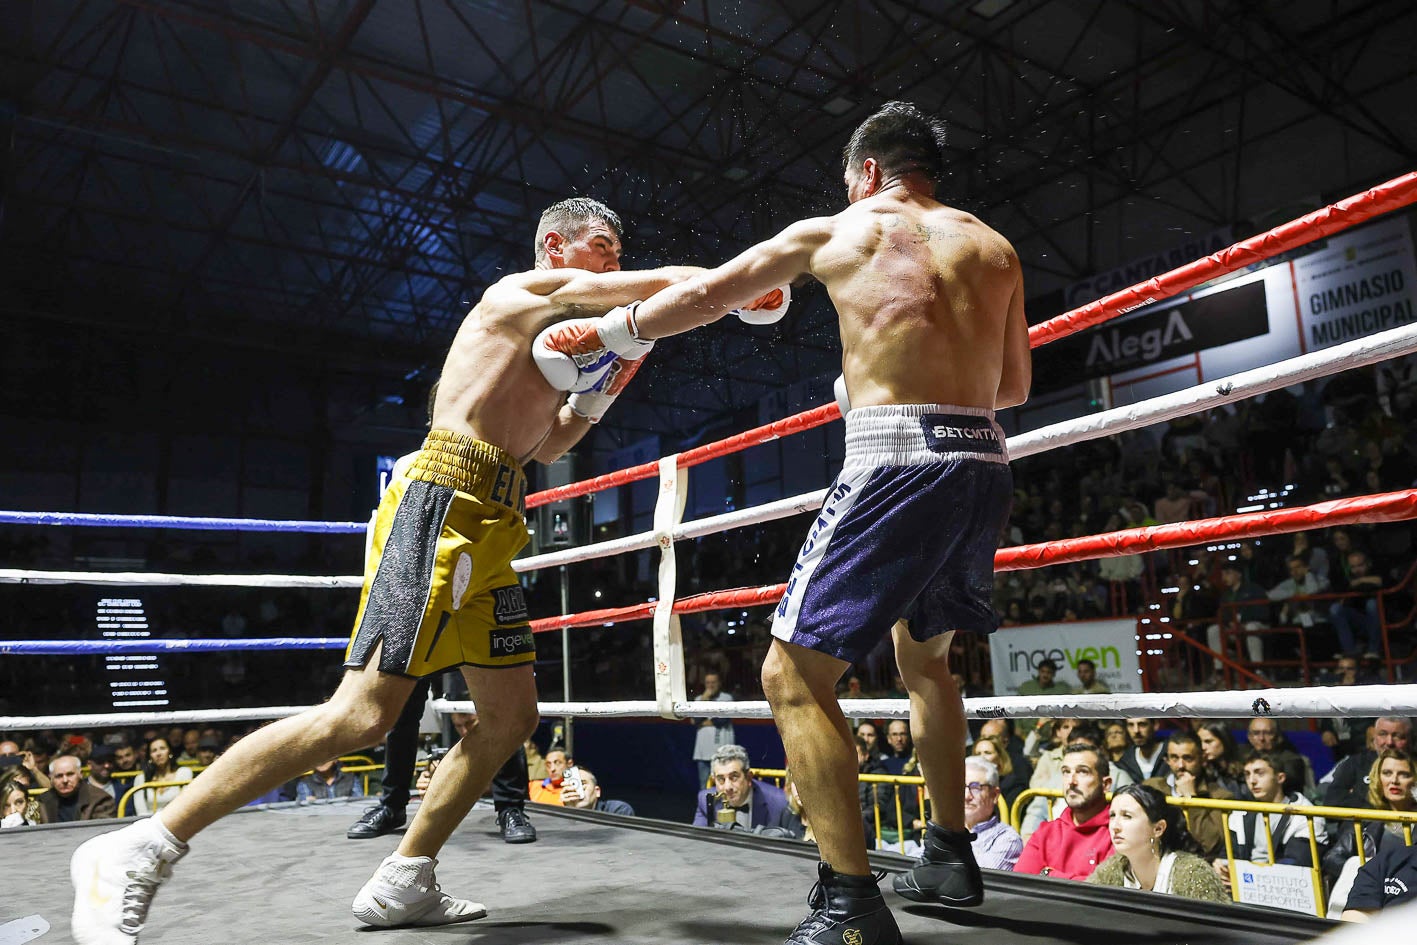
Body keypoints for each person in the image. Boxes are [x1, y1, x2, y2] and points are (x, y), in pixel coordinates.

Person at [70, 195, 708, 942]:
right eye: (600, 246)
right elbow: (646, 289)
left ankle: (406, 877)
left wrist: (598, 390)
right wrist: (738, 280)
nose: (613, 261)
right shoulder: (513, 294)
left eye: (617, 250)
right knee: (361, 716)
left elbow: (548, 447)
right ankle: (139, 849)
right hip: (441, 499)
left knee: (510, 717)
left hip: (497, 517)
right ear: (554, 249)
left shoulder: (553, 345)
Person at [583, 100, 1031, 944]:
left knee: (790, 679)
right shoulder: (993, 246)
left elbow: (712, 295)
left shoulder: (842, 229)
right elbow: (1010, 388)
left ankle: (850, 904)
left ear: (865, 172)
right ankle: (947, 852)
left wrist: (612, 334)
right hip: (983, 461)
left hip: (898, 460)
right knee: (925, 663)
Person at [1089, 784, 1229, 902]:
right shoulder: (1111, 869)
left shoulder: (1193, 874)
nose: (1115, 826)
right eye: (1112, 815)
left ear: (1158, 829)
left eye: (1127, 816)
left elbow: (1217, 931)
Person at [1214, 750, 1327, 891]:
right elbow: (1230, 853)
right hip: (1245, 888)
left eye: (1260, 773)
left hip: (1285, 892)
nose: (1252, 781)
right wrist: (1222, 865)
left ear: (1280, 778)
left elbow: (1296, 865)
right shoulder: (1240, 811)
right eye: (1247, 774)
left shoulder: (1305, 813)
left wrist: (1246, 878)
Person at [1323, 750, 1417, 912]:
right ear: (1378, 779)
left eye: (1403, 774)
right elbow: (1332, 858)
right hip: (1370, 897)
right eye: (1387, 773)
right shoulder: (1367, 819)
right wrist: (1370, 872)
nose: (1394, 780)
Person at [1013, 744, 1116, 881]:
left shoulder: (1119, 832)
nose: (1071, 782)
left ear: (1106, 784)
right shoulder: (1045, 832)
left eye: (1082, 772)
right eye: (1066, 772)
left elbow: (1104, 892)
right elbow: (1021, 884)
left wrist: (1047, 874)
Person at [692, 745, 793, 832]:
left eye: (734, 777)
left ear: (749, 777)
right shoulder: (705, 800)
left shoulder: (780, 804)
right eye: (721, 779)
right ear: (714, 780)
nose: (728, 787)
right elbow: (697, 842)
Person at [1323, 716, 1411, 811]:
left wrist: (1358, 794)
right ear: (1375, 738)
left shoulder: (1414, 765)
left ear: (1409, 739)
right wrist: (1376, 804)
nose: (1389, 742)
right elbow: (1331, 803)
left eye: (1396, 736)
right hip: (1359, 825)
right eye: (1383, 734)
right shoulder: (1354, 763)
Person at [962, 756, 1022, 871]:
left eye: (975, 788)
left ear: (994, 795)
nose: (966, 796)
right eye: (960, 786)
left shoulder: (1007, 840)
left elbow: (977, 880)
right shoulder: (946, 828)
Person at [39, 754, 117, 823]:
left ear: (80, 774)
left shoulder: (101, 799)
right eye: (59, 776)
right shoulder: (43, 800)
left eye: (70, 774)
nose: (65, 780)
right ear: (51, 778)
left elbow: (103, 833)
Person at [690, 672, 735, 788]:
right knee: (704, 787)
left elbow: (722, 720)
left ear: (719, 683)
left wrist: (704, 722)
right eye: (708, 683)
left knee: (726, 787)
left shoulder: (726, 698)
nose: (710, 685)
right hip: (702, 754)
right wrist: (704, 700)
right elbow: (695, 720)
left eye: (713, 682)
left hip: (723, 754)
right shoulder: (699, 699)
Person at [131, 736, 193, 815]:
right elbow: (141, 812)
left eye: (162, 748)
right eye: (154, 751)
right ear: (150, 757)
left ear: (170, 752)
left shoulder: (183, 773)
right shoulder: (141, 778)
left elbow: (186, 804)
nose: (159, 754)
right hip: (150, 824)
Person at [1114, 717, 1171, 785]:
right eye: (1131, 725)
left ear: (1155, 725)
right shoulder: (1125, 762)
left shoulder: (1173, 755)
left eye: (1142, 724)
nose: (1136, 731)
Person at [559, 765, 635, 816]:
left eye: (582, 784)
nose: (577, 790)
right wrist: (570, 813)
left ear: (597, 791)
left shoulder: (617, 809)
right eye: (572, 786)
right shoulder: (560, 817)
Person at [1196, 722, 1246, 798]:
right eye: (1200, 742)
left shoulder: (1245, 767)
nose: (1203, 747)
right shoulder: (1201, 771)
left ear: (1224, 740)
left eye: (1208, 741)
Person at [296, 757, 365, 803]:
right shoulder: (305, 783)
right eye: (317, 758)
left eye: (326, 757)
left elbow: (359, 803)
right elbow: (305, 809)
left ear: (335, 759)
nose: (321, 761)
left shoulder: (351, 779)